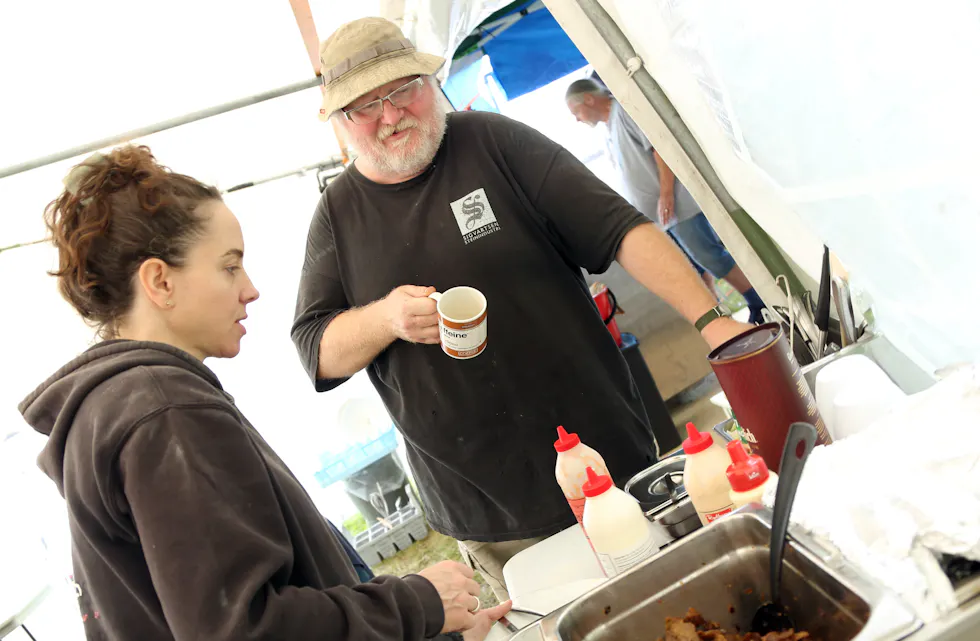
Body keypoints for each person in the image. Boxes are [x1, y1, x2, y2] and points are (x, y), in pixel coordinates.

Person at [292, 17, 752, 601]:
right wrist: (385, 319)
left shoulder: (494, 143)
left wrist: (712, 321)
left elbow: (620, 230)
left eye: (402, 89)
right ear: (340, 121)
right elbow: (316, 352)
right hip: (484, 503)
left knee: (686, 602)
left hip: (604, 457)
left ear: (428, 81)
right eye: (366, 106)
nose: (391, 115)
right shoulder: (336, 216)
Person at [19, 146, 509, 641]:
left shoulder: (112, 410)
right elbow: (243, 629)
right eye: (230, 267)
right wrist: (415, 604)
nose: (250, 289)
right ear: (160, 281)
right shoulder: (165, 411)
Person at [565, 78, 766, 324]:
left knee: (711, 257)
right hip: (663, 218)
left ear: (588, 98)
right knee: (697, 269)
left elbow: (658, 148)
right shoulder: (610, 129)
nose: (577, 118)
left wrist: (666, 193)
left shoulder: (624, 111)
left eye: (576, 111)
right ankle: (721, 321)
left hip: (677, 207)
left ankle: (759, 302)